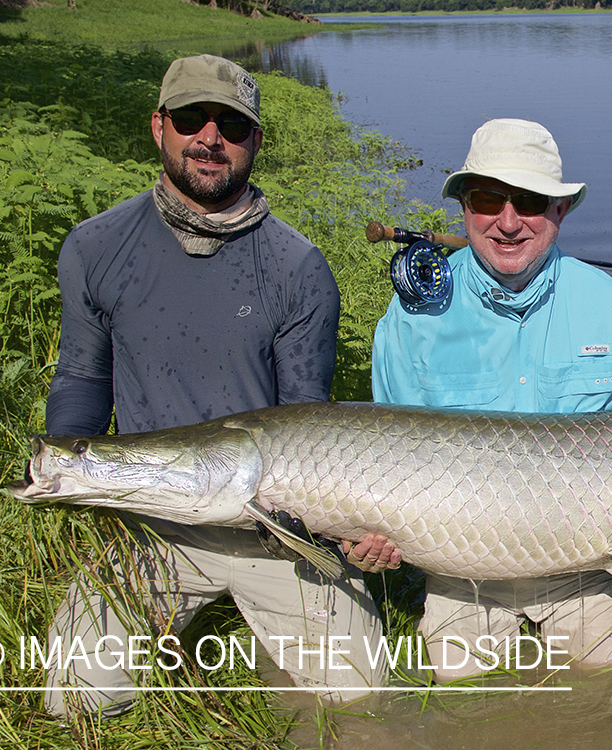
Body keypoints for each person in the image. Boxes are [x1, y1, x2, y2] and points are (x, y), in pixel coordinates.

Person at [43, 54, 385, 717]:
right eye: (191, 119)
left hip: (277, 534)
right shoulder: (96, 247)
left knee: (359, 702)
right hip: (155, 529)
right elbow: (82, 376)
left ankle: (267, 631)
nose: (209, 137)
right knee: (75, 699)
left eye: (230, 124)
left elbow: (306, 419)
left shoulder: (297, 267)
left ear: (254, 141)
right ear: (158, 127)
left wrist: (345, 526)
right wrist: (73, 471)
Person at [358, 118, 612, 678]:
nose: (507, 221)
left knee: (607, 686)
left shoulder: (609, 307)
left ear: (560, 210)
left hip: (584, 566)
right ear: (464, 208)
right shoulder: (412, 318)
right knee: (460, 693)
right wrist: (369, 534)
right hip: (462, 569)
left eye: (528, 201)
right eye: (487, 200)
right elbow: (388, 464)